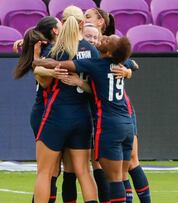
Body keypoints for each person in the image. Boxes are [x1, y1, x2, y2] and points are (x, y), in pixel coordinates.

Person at [33, 34, 134, 203]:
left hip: (109, 126)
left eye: (107, 40)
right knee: (111, 175)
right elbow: (134, 63)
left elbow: (58, 64)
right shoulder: (122, 63)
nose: (102, 38)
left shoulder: (96, 64)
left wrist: (36, 59)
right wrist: (128, 71)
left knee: (114, 179)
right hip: (126, 124)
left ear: (109, 52)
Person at [84, 8, 151, 203]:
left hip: (118, 112)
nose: (83, 18)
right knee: (102, 165)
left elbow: (132, 63)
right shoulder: (83, 43)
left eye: (88, 16)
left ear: (100, 23)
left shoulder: (107, 45)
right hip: (95, 110)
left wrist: (127, 70)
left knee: (129, 162)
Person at [33, 6, 99, 203]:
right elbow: (97, 87)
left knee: (45, 173)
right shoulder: (92, 50)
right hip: (83, 117)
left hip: (58, 115)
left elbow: (38, 71)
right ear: (81, 23)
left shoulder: (57, 50)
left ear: (63, 22)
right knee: (84, 173)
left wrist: (39, 61)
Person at [13, 16, 63, 203]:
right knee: (49, 170)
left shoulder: (45, 50)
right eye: (60, 24)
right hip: (45, 112)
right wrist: (51, 70)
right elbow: (41, 75)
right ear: (54, 31)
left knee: (53, 170)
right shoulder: (49, 51)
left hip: (46, 111)